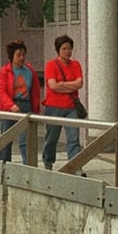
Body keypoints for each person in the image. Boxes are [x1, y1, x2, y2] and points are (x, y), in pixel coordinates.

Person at [42, 35, 84, 173]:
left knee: (73, 137)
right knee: (52, 138)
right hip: (54, 107)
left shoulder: (75, 64)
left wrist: (62, 85)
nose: (67, 51)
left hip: (71, 106)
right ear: (58, 50)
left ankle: (75, 164)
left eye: (69, 49)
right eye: (64, 49)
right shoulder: (51, 65)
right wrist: (70, 86)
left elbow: (79, 83)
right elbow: (52, 86)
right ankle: (48, 161)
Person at [0, 40, 40, 164]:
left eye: (23, 54)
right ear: (12, 56)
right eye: (18, 55)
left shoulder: (30, 71)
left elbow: (35, 92)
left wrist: (35, 110)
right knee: (6, 138)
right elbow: (1, 91)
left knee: (26, 139)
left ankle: (28, 165)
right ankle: (4, 165)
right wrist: (11, 105)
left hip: (25, 104)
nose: (21, 58)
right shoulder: (5, 71)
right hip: (9, 106)